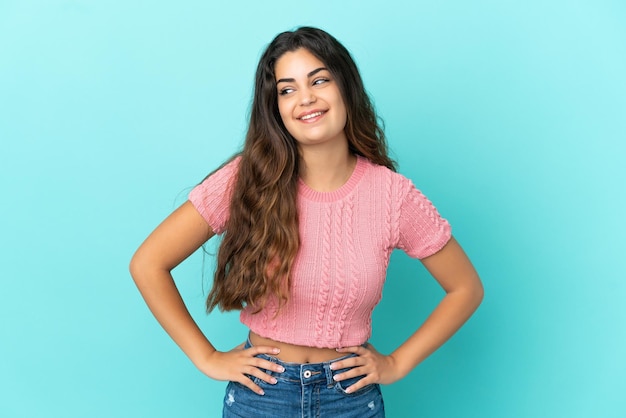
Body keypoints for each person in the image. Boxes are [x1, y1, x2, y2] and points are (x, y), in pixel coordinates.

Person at [130, 26, 483, 418]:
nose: (306, 98)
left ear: (345, 87)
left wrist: (396, 363)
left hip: (350, 399)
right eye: (287, 89)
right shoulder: (247, 179)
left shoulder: (392, 194)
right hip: (262, 396)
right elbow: (148, 263)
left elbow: (465, 288)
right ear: (276, 107)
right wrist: (208, 357)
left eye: (319, 80)